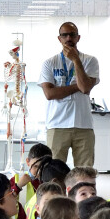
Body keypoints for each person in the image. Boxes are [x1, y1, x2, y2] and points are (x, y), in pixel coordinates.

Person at [38, 22, 99, 168]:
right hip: (57, 124)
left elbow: (85, 88)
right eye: (64, 35)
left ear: (78, 37)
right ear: (59, 39)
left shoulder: (90, 60)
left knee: (84, 172)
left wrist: (76, 60)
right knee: (53, 171)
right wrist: (77, 86)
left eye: (72, 34)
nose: (68, 38)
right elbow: (50, 94)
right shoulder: (49, 63)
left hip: (83, 124)